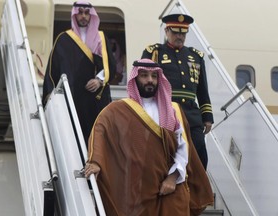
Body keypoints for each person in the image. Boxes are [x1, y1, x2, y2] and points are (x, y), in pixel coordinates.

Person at [85, 59, 213, 216]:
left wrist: (173, 178)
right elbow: (100, 130)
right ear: (135, 78)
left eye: (154, 76)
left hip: (170, 186)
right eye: (144, 75)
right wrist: (96, 162)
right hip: (138, 189)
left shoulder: (173, 110)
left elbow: (182, 147)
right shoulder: (120, 109)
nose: (150, 80)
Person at [141, 14, 214, 170]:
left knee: (199, 148)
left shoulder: (196, 56)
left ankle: (198, 188)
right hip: (167, 110)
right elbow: (143, 82)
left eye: (183, 33)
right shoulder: (155, 52)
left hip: (191, 114)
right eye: (175, 32)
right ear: (167, 31)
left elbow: (202, 90)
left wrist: (207, 117)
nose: (179, 36)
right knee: (169, 151)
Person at [42, 0, 116, 146]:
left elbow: (110, 66)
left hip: (95, 97)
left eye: (87, 13)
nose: (83, 16)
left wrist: (99, 80)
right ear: (75, 15)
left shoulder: (100, 37)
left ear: (91, 15)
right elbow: (52, 69)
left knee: (97, 137)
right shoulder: (63, 39)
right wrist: (50, 93)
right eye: (80, 12)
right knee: (72, 136)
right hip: (72, 97)